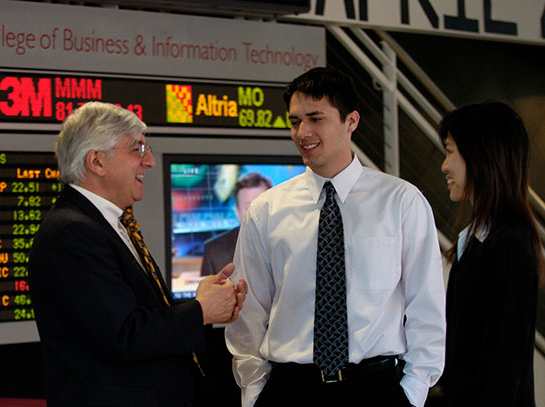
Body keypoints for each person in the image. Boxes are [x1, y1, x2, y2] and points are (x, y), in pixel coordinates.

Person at [225, 66, 446, 407]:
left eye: (316, 119)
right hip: (290, 388)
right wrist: (254, 392)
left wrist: (413, 391)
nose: (303, 132)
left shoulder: (401, 202)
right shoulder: (267, 210)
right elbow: (250, 313)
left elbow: (426, 307)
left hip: (376, 388)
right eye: (295, 121)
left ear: (351, 121)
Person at [28, 101, 247, 407]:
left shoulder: (104, 222)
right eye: (138, 150)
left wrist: (201, 303)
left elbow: (135, 316)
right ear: (97, 162)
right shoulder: (72, 233)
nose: (150, 162)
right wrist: (201, 311)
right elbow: (123, 335)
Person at [439, 101, 542, 406]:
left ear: (481, 155)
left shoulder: (509, 245)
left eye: (450, 151)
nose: (444, 166)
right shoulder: (479, 237)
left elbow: (503, 367)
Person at [200, 172, 272, 277]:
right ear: (237, 211)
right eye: (248, 208)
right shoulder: (214, 251)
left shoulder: (293, 243)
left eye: (262, 206)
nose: (256, 214)